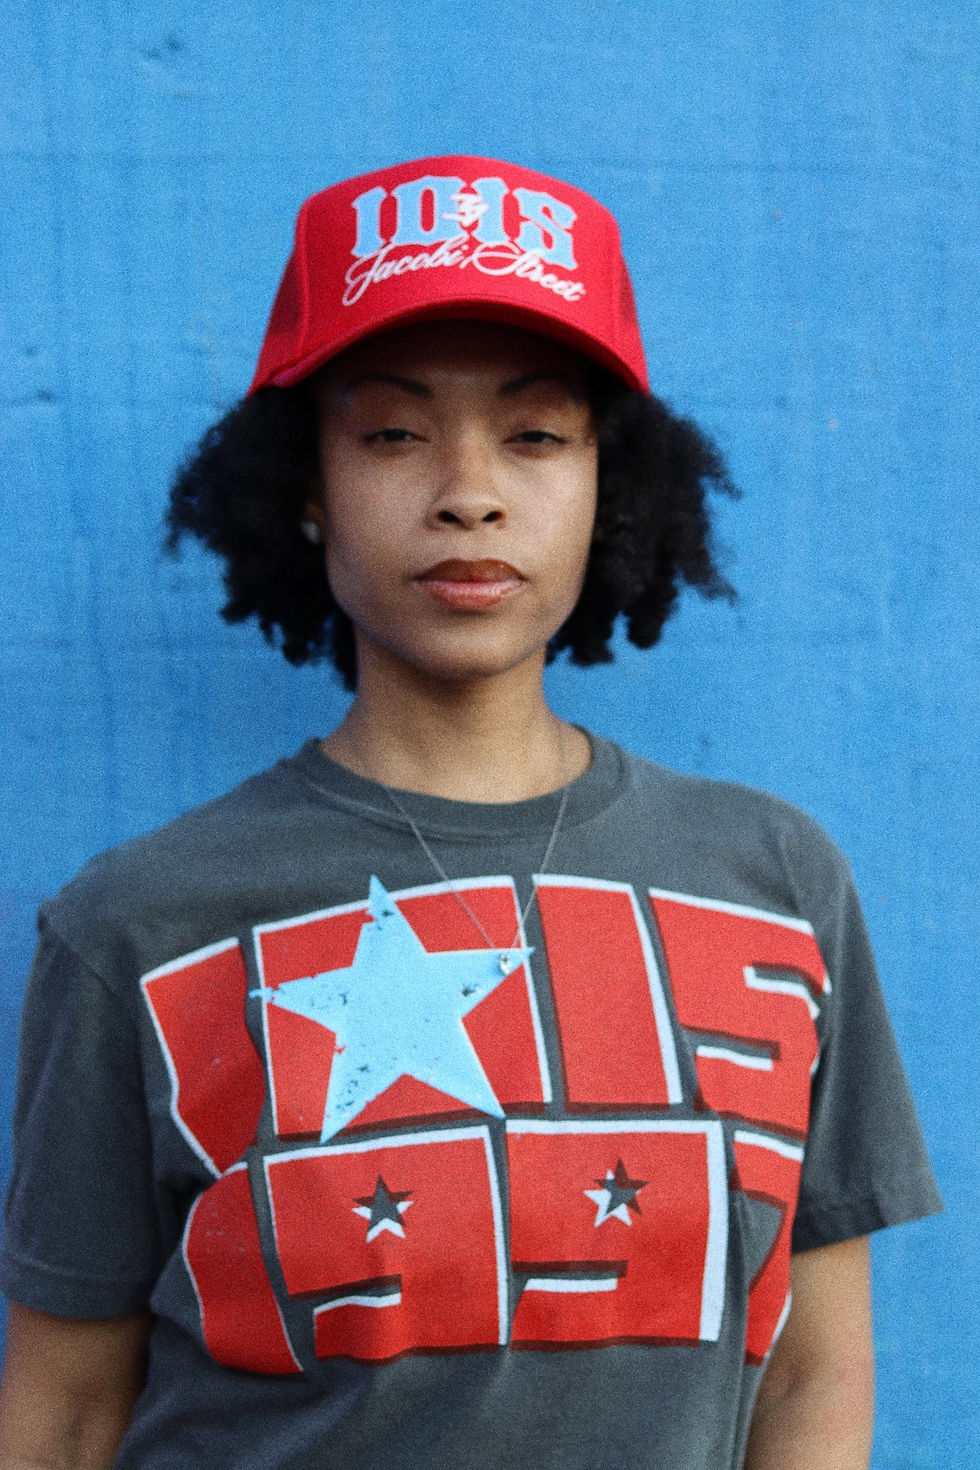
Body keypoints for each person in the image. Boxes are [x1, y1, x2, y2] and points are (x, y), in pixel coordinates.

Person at [0, 155, 940, 1469]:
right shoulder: (139, 924)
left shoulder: (776, 882)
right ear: (307, 484)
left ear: (610, 478)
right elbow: (63, 1415)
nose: (469, 491)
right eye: (392, 434)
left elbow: (812, 1373)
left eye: (535, 435)